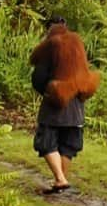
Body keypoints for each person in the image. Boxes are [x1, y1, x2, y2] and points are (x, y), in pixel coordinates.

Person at [31, 16, 92, 194]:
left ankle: (60, 178)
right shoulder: (77, 44)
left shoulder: (51, 44)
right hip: (77, 104)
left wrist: (47, 91)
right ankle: (60, 181)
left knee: (45, 142)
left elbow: (39, 77)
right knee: (68, 145)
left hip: (56, 101)